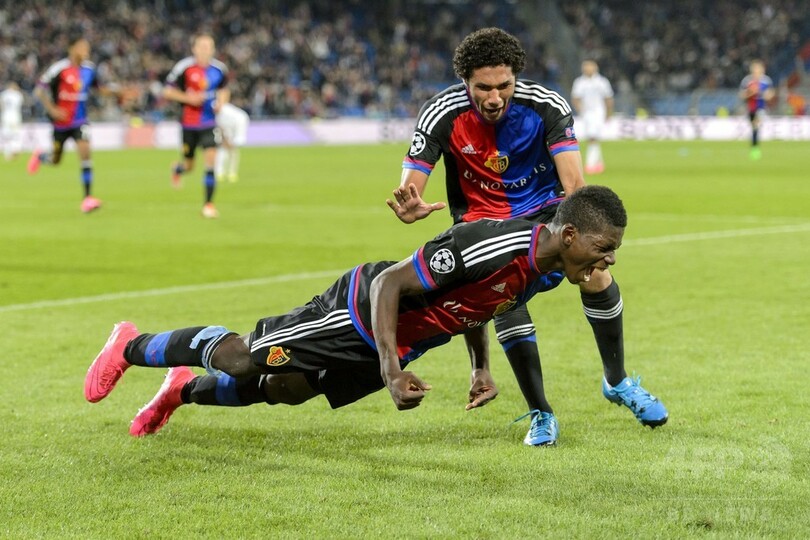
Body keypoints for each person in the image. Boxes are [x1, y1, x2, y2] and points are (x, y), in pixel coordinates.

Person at [85, 186, 660, 441]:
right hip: (360, 313)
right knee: (243, 358)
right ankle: (130, 345)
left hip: (402, 342)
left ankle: (180, 391)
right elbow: (390, 282)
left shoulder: (547, 268)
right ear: (569, 234)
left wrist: (480, 366)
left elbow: (480, 303)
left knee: (287, 390)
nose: (608, 261)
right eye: (603, 248)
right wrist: (389, 367)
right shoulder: (492, 242)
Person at [388, 27, 667, 446]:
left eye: (504, 85)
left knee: (597, 274)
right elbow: (412, 185)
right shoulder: (440, 113)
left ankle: (617, 381)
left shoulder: (546, 105)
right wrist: (410, 205)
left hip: (544, 214)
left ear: (516, 77)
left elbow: (574, 185)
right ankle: (541, 413)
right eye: (483, 88)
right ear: (465, 81)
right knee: (506, 298)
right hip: (482, 224)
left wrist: (585, 239)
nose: (494, 97)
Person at [27, 35, 133, 213]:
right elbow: (39, 90)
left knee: (85, 153)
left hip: (80, 121)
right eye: (82, 47)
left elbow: (99, 89)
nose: (86, 51)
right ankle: (41, 156)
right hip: (60, 122)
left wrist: (119, 92)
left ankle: (87, 198)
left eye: (87, 48)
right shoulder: (59, 68)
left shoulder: (90, 69)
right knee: (55, 160)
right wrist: (52, 110)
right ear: (72, 48)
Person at [163, 33, 230, 218]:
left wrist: (222, 103)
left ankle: (208, 205)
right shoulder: (184, 67)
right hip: (189, 124)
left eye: (209, 46)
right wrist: (188, 98)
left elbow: (224, 89)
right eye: (201, 46)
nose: (205, 50)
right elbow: (167, 91)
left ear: (213, 49)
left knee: (210, 161)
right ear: (194, 49)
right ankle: (178, 169)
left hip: (209, 122)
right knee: (189, 166)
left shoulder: (219, 69)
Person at [571, 60, 614, 175]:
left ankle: (590, 164)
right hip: (586, 112)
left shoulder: (602, 82)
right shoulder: (580, 82)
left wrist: (608, 112)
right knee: (592, 137)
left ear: (595, 68)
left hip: (599, 111)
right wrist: (580, 110)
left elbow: (608, 97)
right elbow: (575, 98)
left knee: (593, 137)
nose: (587, 69)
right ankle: (599, 163)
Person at [739, 59, 774, 161]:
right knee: (754, 127)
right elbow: (741, 95)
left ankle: (755, 148)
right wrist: (751, 92)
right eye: (755, 69)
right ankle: (754, 147)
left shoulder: (766, 81)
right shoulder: (747, 81)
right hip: (750, 108)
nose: (757, 71)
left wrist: (763, 94)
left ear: (762, 70)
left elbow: (770, 94)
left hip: (761, 108)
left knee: (756, 124)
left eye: (759, 69)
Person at [215, 102, 249, 183]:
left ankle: (231, 173)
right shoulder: (217, 114)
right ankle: (220, 172)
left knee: (232, 149)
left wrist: (229, 141)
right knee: (222, 148)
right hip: (226, 127)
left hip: (237, 126)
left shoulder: (233, 116)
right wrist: (224, 139)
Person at [1, 82, 24, 161]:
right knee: (15, 134)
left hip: (5, 116)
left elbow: (2, 105)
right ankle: (15, 149)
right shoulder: (18, 94)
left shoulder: (4, 94)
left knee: (7, 135)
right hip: (15, 116)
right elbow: (20, 105)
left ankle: (7, 153)